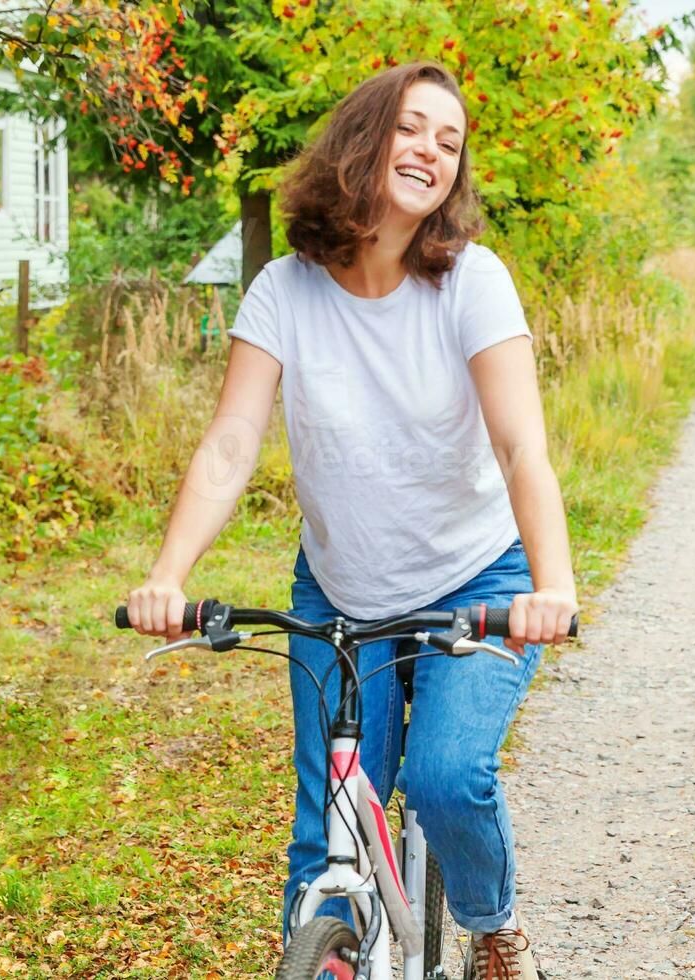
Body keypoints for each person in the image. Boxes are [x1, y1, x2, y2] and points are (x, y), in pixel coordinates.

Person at [123, 61, 578, 978]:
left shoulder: (472, 284)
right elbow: (230, 443)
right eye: (413, 129)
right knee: (326, 834)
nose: (431, 153)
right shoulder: (285, 292)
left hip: (478, 580)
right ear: (364, 140)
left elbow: (521, 448)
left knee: (446, 781)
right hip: (341, 590)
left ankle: (494, 927)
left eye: (449, 143)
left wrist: (552, 585)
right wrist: (168, 576)